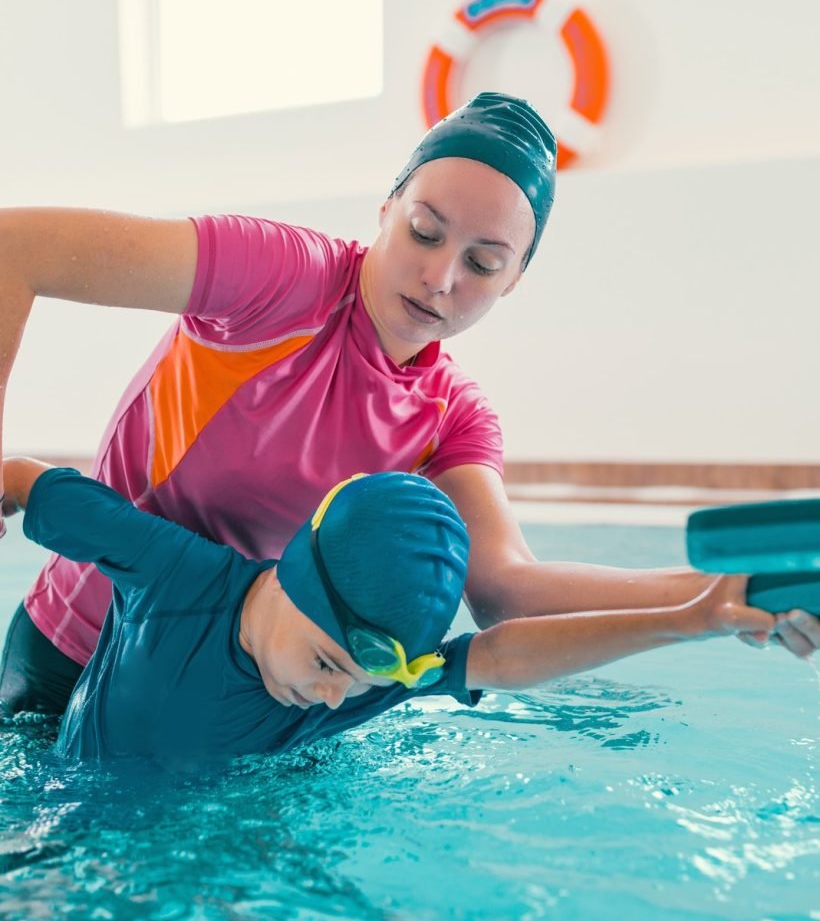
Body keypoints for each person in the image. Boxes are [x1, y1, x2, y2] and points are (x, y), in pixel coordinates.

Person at [1, 92, 818, 715]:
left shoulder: (452, 415)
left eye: (485, 262)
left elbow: (505, 590)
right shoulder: (274, 279)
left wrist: (724, 592)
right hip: (75, 654)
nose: (441, 279)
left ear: (517, 279)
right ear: (386, 208)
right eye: (425, 232)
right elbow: (17, 247)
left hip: (247, 695)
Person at [2, 457, 799, 764]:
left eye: (353, 680)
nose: (334, 698)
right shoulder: (174, 573)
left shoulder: (369, 676)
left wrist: (698, 615)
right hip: (75, 820)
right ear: (290, 574)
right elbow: (28, 480)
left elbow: (502, 655)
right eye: (324, 664)